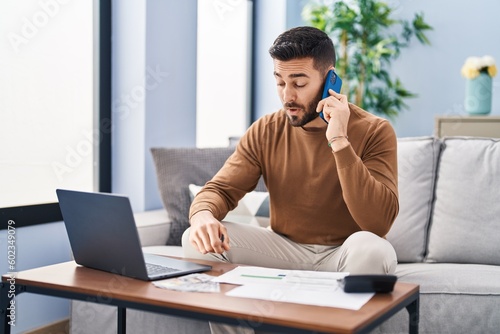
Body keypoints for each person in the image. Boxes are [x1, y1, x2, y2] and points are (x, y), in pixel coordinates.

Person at [182, 26, 398, 332]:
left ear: (329, 79)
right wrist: (203, 215)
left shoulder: (375, 131)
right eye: (280, 82)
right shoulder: (266, 130)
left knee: (373, 249)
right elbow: (221, 188)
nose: (287, 96)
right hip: (282, 250)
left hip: (344, 255)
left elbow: (378, 224)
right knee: (195, 240)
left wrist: (338, 140)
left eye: (299, 83)